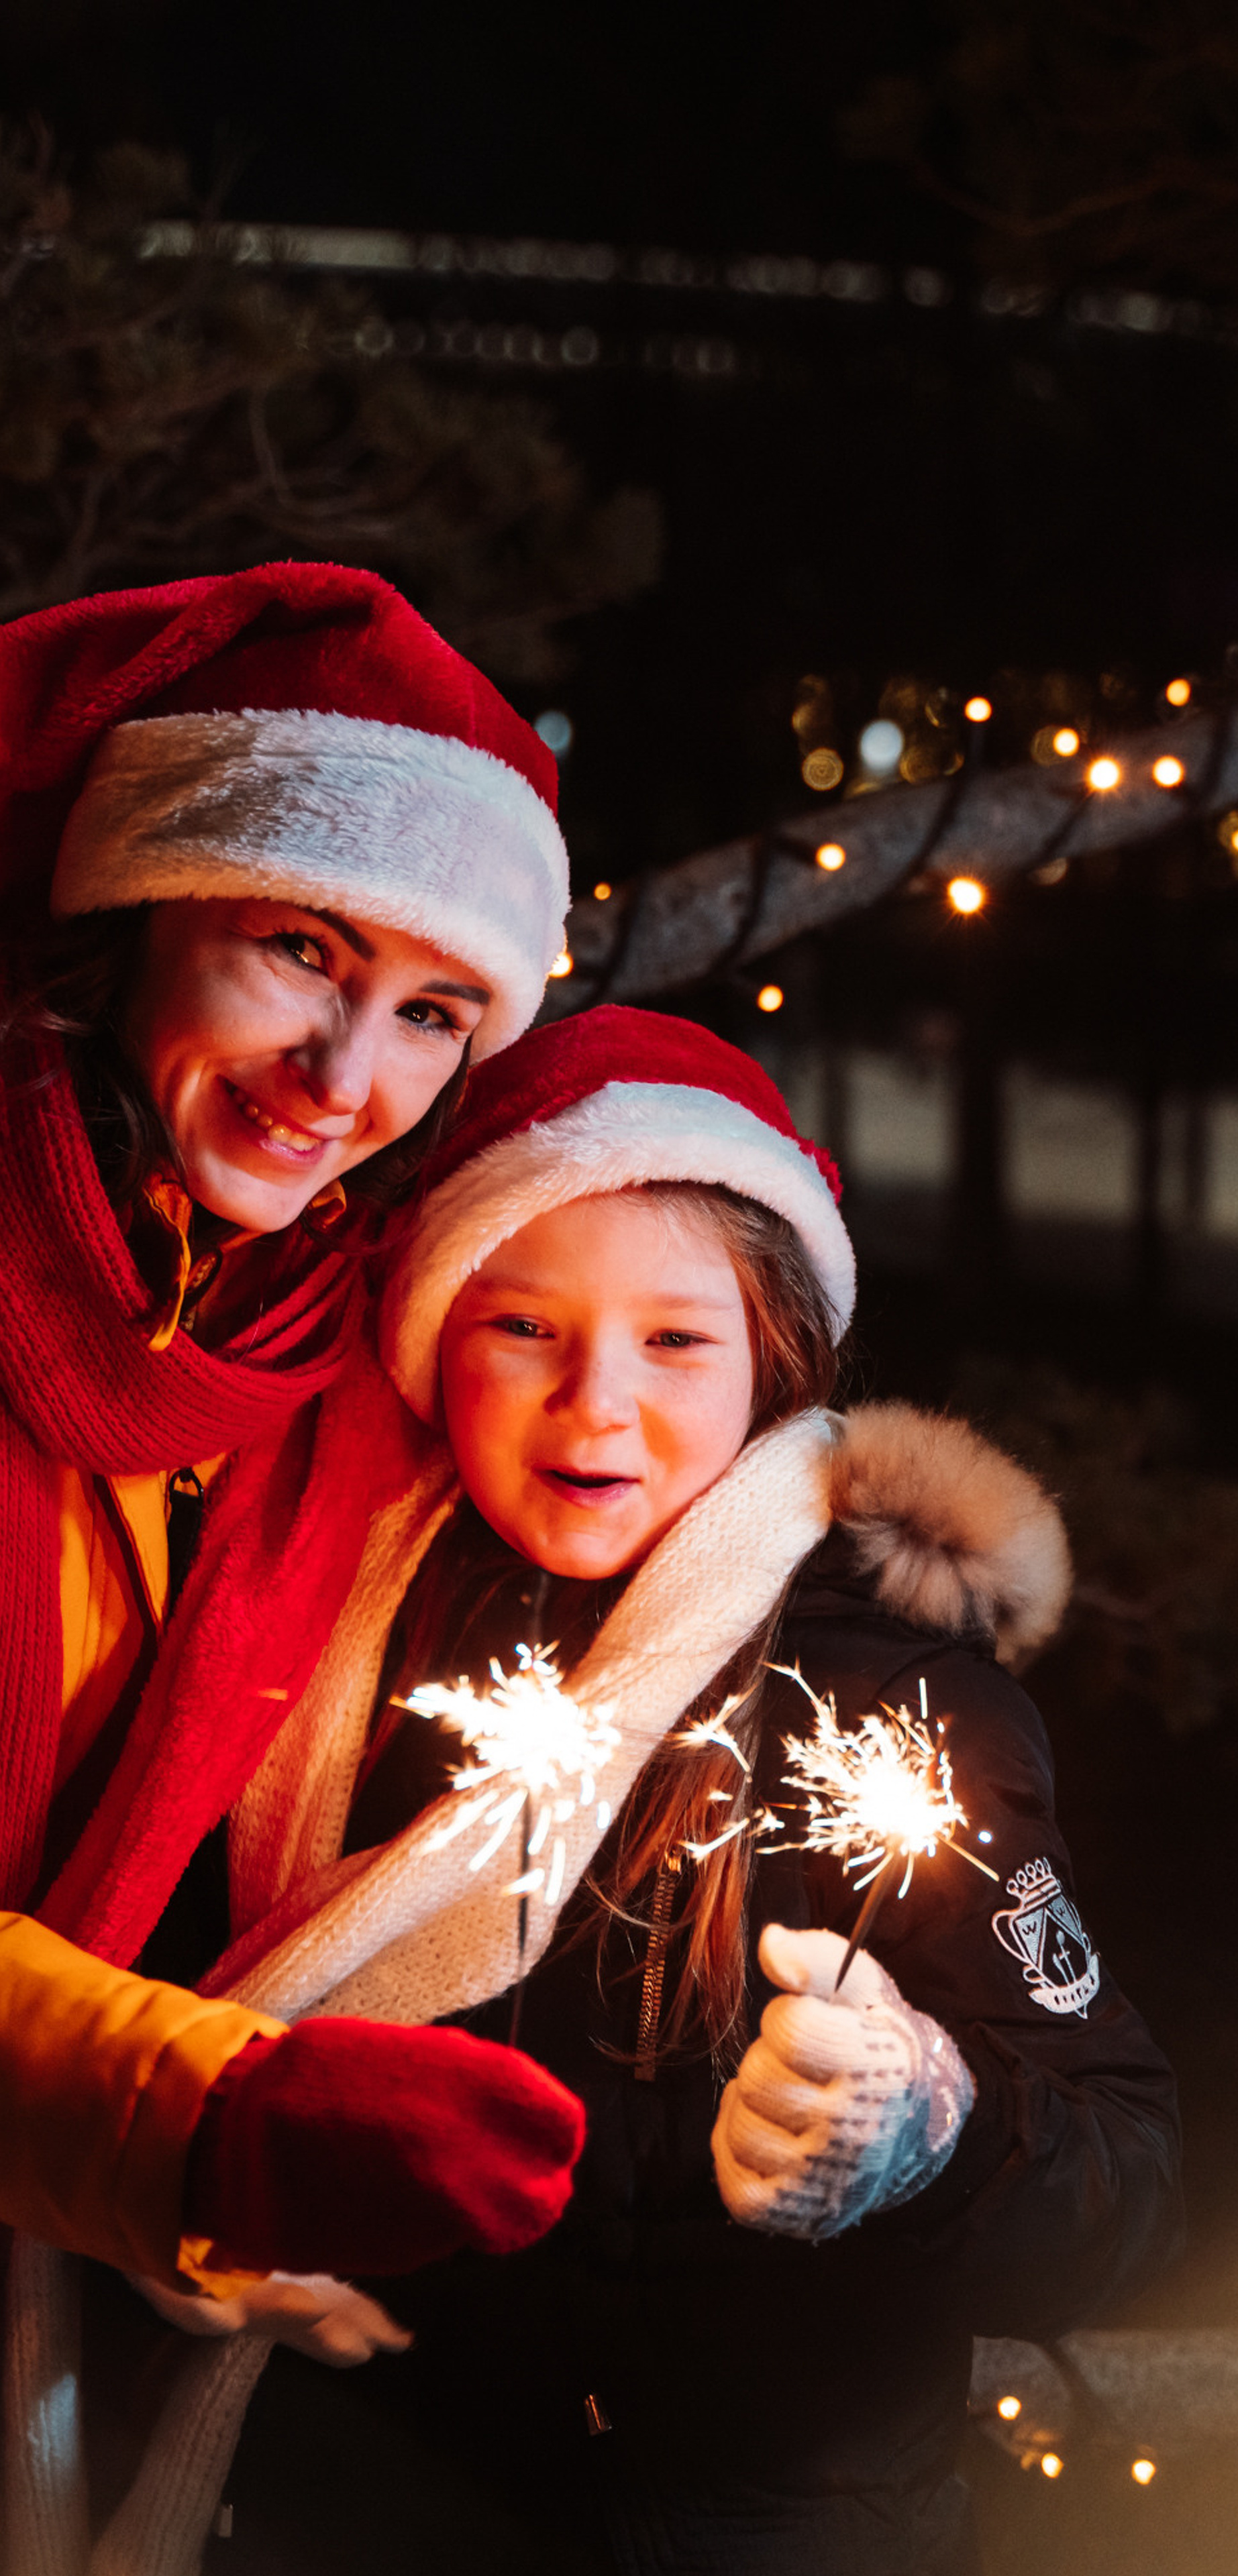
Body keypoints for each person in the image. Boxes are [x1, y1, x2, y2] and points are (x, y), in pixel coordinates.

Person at [193, 1006, 1182, 2576]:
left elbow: (1123, 2189)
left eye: (672, 1340)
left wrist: (928, 2116)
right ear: (433, 1339)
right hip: (356, 2506)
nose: (593, 1402)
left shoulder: (892, 1703)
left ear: (771, 1360)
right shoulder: (313, 1649)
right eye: (524, 1327)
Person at [0, 561, 587, 2320]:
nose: (342, 1078)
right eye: (301, 952)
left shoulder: (306, 1334)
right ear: (136, 909)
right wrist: (206, 2125)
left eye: (432, 1014)